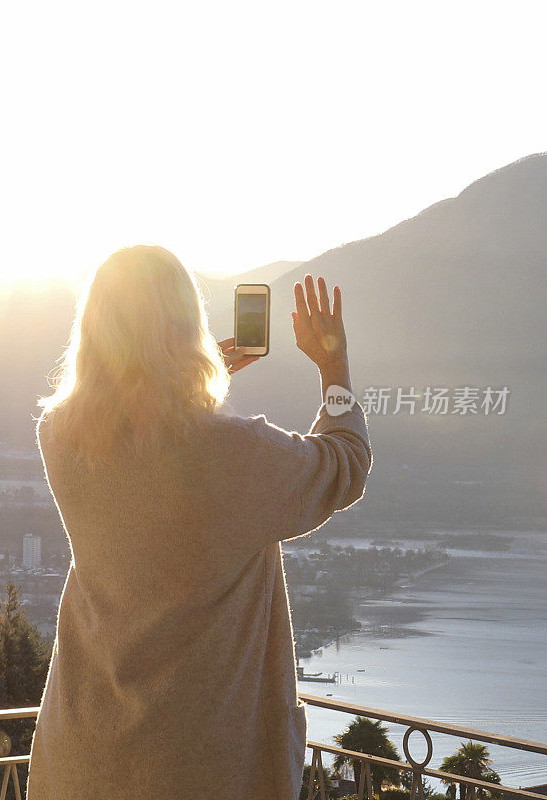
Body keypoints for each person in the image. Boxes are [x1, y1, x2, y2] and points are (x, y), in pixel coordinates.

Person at [26, 245, 372, 800]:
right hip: (201, 760)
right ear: (188, 325)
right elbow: (344, 465)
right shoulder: (231, 451)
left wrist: (184, 377)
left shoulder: (60, 435)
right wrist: (334, 365)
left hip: (84, 752)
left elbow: (147, 447)